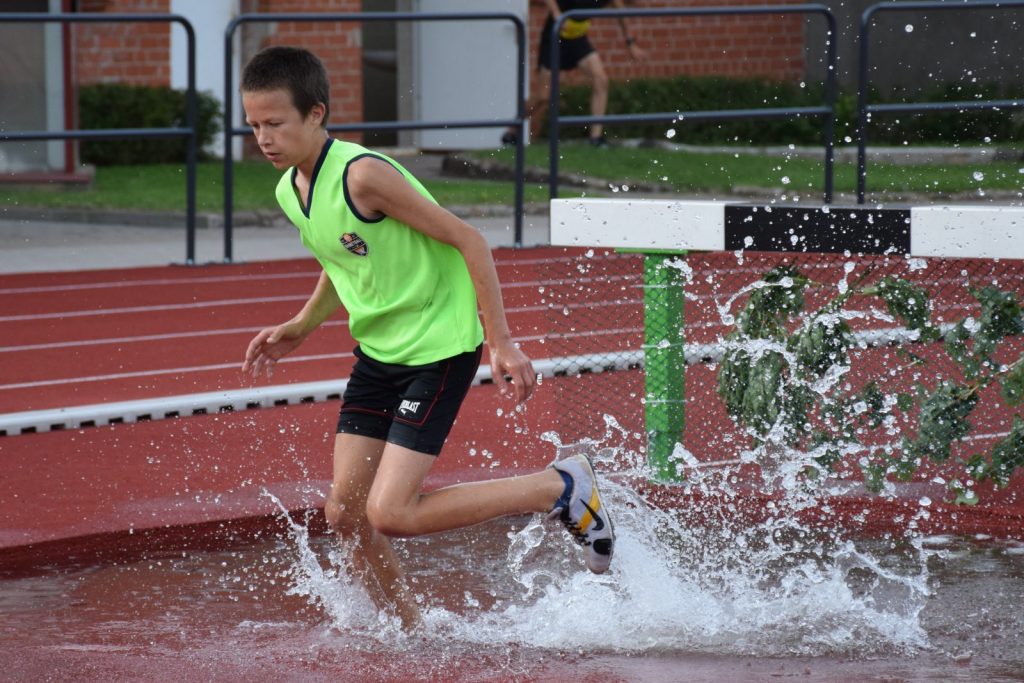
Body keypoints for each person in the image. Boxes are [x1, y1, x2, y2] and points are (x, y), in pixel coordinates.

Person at [239, 46, 615, 630]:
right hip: (379, 355)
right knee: (345, 514)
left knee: (391, 513)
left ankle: (558, 487)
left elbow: (470, 241)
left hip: (438, 349)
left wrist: (502, 342)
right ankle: (408, 631)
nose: (263, 138)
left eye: (275, 123)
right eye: (254, 125)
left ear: (316, 114)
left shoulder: (363, 175)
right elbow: (342, 257)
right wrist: (302, 325)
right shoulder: (292, 189)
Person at [504, 0, 646, 147]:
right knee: (542, 97)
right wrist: (556, 12)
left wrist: (630, 43)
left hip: (578, 40)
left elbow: (622, 14)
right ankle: (512, 129)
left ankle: (596, 138)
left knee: (601, 79)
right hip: (555, 37)